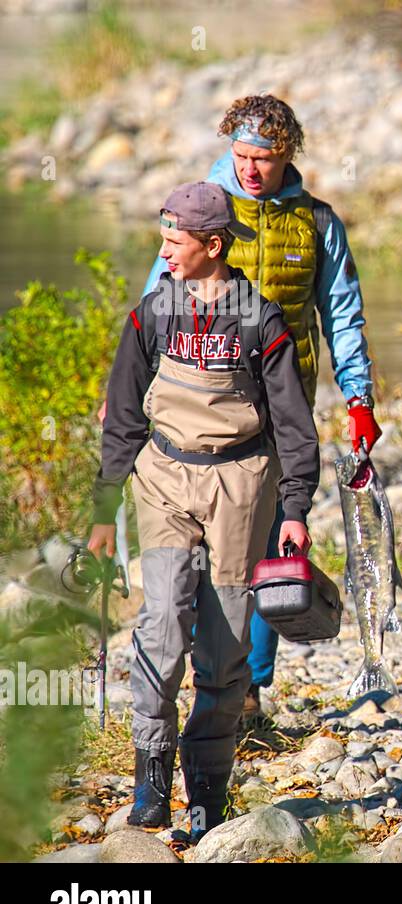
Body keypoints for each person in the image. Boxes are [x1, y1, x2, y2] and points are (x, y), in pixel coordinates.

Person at [88, 182, 321, 840]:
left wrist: (296, 506)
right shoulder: (152, 312)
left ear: (213, 246)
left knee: (222, 657)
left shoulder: (260, 319)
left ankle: (208, 796)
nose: (163, 251)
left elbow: (295, 426)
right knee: (161, 630)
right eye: (162, 236)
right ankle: (150, 786)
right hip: (163, 479)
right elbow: (125, 413)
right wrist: (103, 510)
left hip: (242, 487)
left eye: (174, 240)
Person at [138, 94, 381, 723]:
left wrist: (359, 398)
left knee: (271, 548)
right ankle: (194, 677)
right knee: (192, 553)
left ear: (288, 155)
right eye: (241, 155)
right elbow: (153, 304)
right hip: (195, 410)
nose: (251, 169)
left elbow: (343, 315)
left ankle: (246, 693)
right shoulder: (202, 210)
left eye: (265, 158)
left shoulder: (318, 223)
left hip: (282, 407)